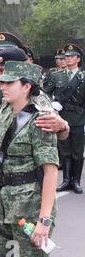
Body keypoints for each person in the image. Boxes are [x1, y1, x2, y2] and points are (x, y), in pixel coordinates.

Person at [0, 61, 58, 257]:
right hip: (3, 205)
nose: (3, 86)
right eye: (2, 82)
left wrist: (44, 220)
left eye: (10, 82)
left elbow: (50, 171)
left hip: (29, 208)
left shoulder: (42, 120)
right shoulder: (5, 113)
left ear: (27, 86)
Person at [44, 44, 84, 194]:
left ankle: (76, 181)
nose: (67, 59)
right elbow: (45, 93)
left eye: (71, 56)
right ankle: (66, 180)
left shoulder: (82, 77)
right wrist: (52, 106)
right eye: (66, 56)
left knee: (77, 152)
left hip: (79, 118)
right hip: (61, 117)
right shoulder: (56, 76)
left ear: (78, 59)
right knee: (65, 150)